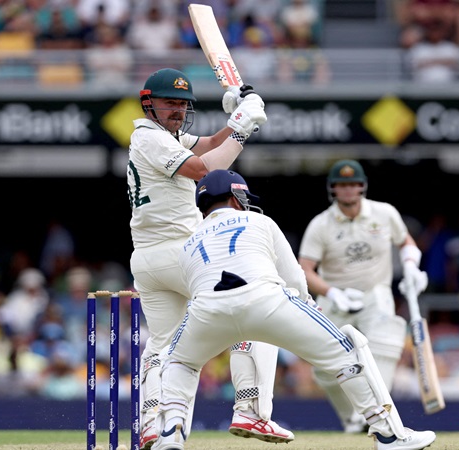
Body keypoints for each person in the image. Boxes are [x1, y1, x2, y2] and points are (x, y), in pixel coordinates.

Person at [149, 169, 436, 450]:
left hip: (206, 310)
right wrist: (310, 310)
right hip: (265, 301)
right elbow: (295, 277)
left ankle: (170, 435)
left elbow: (198, 289)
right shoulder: (260, 222)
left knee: (179, 363)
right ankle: (388, 434)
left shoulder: (187, 244)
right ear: (237, 198)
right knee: (347, 351)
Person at [126, 68, 293, 449]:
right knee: (255, 308)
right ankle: (251, 411)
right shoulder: (149, 139)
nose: (179, 110)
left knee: (163, 343)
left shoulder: (166, 136)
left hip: (149, 261)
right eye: (170, 103)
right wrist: (241, 127)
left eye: (183, 104)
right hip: (181, 252)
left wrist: (238, 117)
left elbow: (212, 144)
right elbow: (204, 169)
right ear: (148, 102)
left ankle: (151, 423)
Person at [297, 160, 429, 433]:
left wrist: (412, 266)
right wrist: (332, 292)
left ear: (362, 186)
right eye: (342, 185)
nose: (348, 190)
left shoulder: (384, 213)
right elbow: (304, 270)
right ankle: (352, 418)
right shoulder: (320, 224)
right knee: (323, 367)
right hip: (335, 296)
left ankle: (379, 412)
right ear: (333, 189)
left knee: (386, 337)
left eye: (353, 184)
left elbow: (406, 242)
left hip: (374, 291)